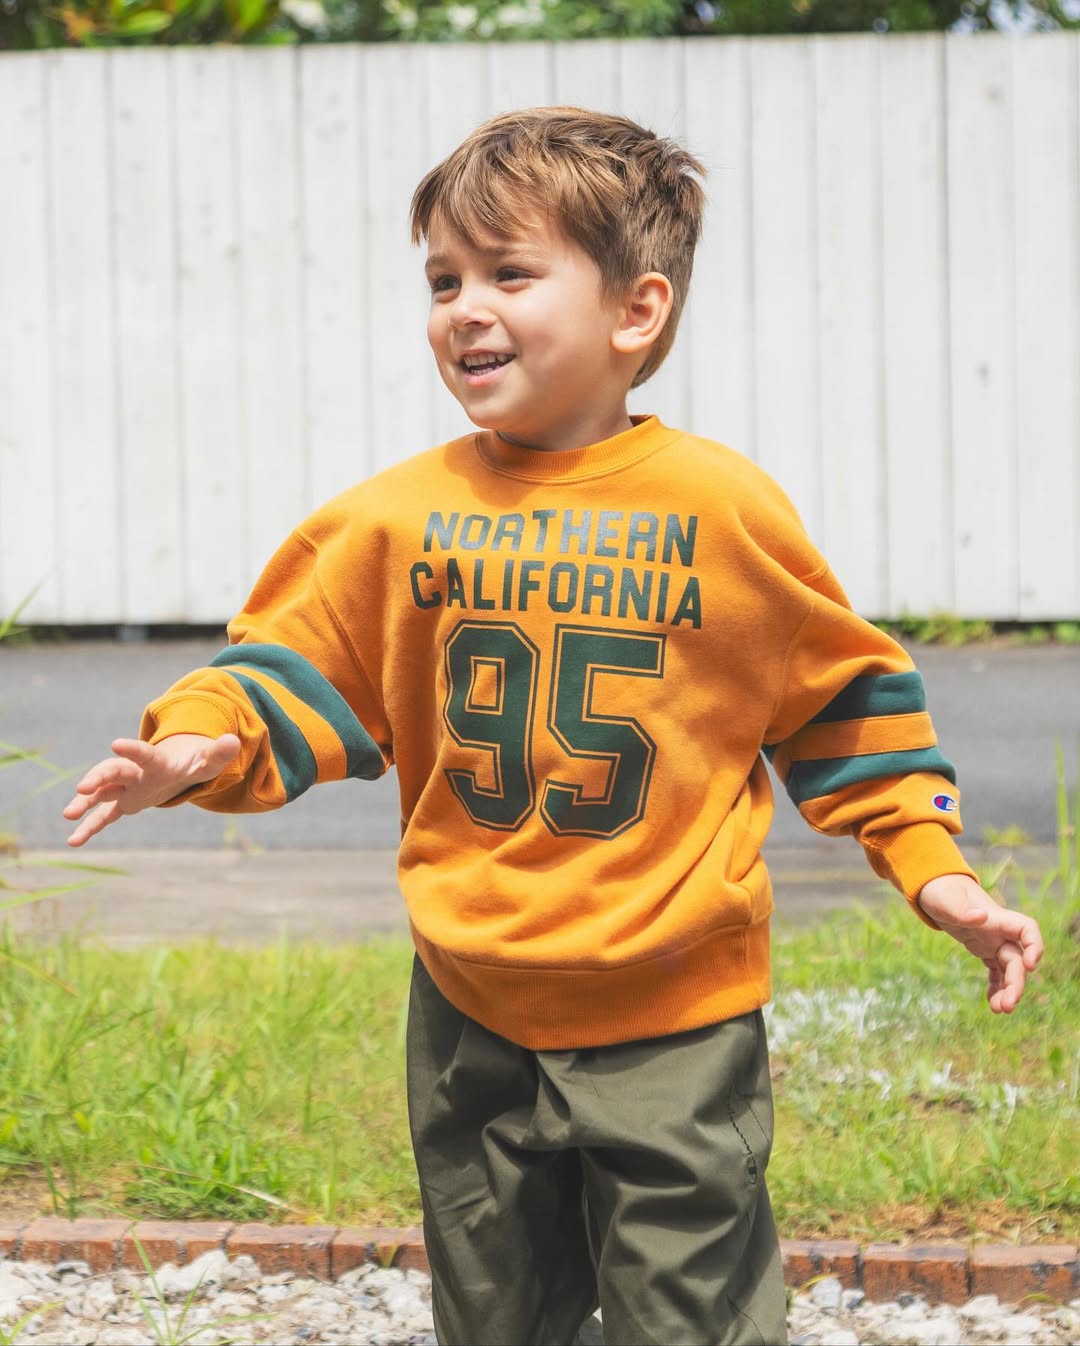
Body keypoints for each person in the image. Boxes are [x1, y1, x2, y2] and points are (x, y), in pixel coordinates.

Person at [63, 108, 1043, 1346]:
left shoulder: (722, 511)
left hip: (674, 1008)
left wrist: (935, 869)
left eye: (509, 274)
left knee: (689, 1317)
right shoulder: (395, 518)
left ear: (636, 310)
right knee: (496, 1312)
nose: (464, 309)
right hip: (470, 1002)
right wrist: (201, 745)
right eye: (443, 281)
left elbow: (844, 704)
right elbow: (291, 665)